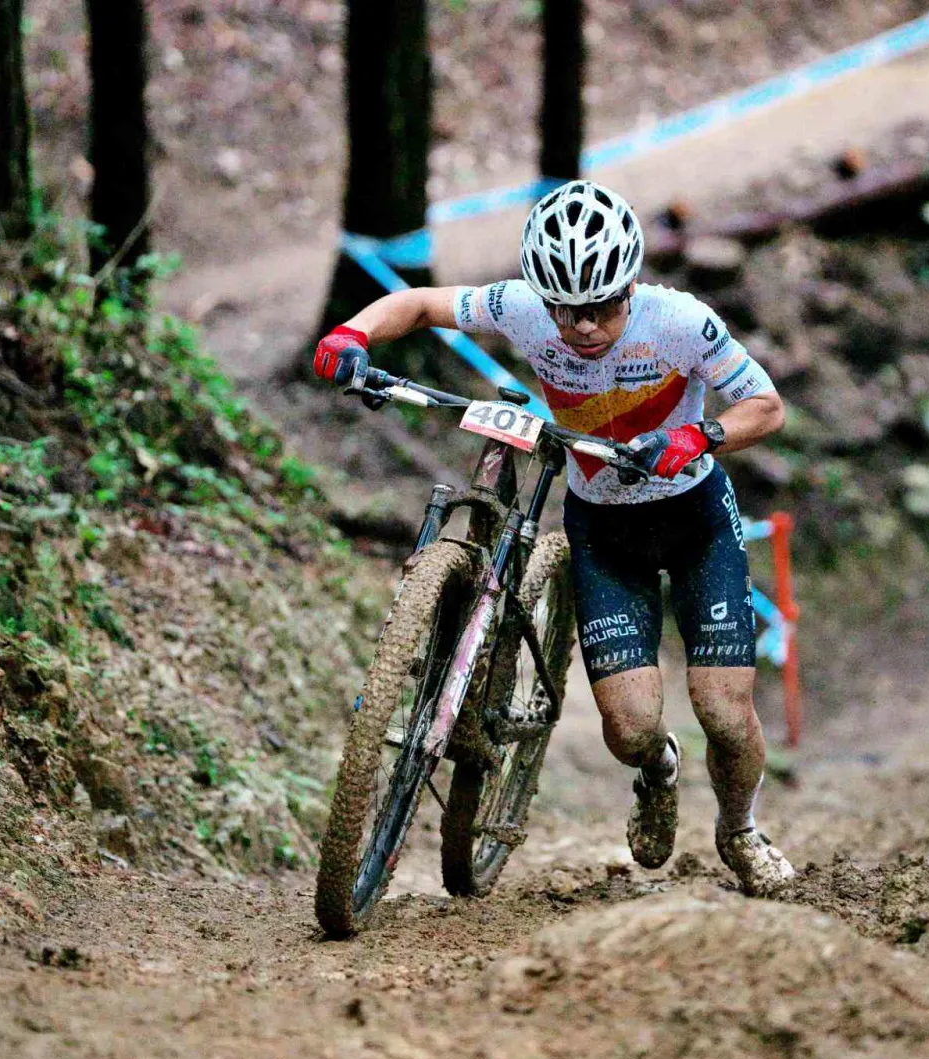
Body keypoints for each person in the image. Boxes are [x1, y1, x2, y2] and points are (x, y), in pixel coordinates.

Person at [310, 180, 796, 897]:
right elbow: (419, 304)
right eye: (566, 309)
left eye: (602, 307)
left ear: (630, 287)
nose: (583, 326)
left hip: (695, 520)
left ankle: (740, 831)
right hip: (604, 528)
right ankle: (658, 771)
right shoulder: (522, 308)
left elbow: (767, 406)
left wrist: (700, 435)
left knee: (723, 712)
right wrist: (350, 334)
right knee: (630, 731)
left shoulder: (681, 323)